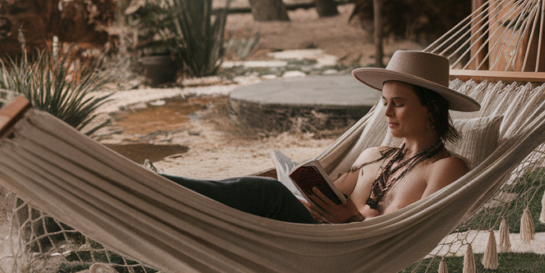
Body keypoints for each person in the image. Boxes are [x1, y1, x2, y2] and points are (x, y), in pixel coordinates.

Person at [162, 50, 479, 225]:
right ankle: (158, 201)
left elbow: (418, 231)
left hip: (345, 250)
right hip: (311, 236)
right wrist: (304, 193)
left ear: (431, 109)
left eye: (398, 104)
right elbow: (316, 196)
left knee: (266, 193)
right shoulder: (373, 155)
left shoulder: (446, 168)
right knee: (245, 209)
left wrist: (351, 218)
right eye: (384, 103)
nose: (387, 114)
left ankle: (163, 187)